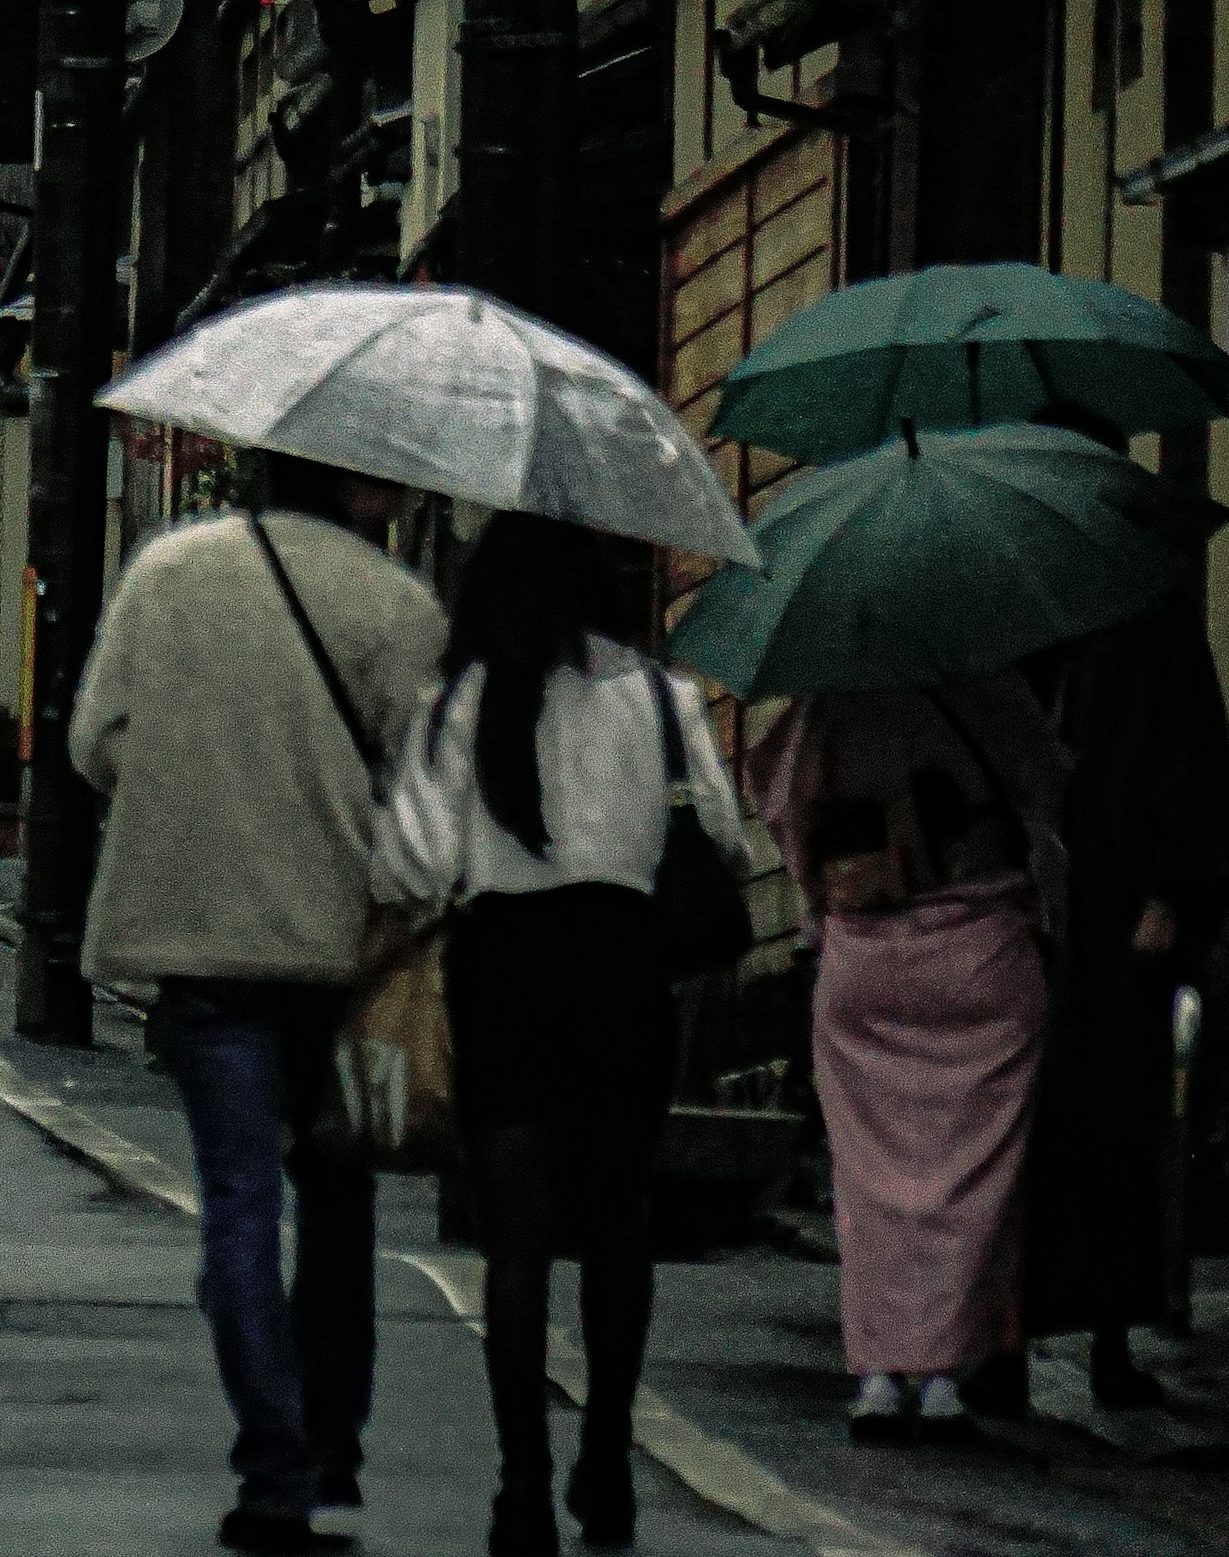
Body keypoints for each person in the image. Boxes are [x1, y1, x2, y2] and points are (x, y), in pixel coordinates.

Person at [73, 458, 444, 1557]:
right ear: (364, 484)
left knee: (237, 1198)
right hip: (342, 950)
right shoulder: (397, 603)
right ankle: (331, 1449)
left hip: (202, 937)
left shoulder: (169, 569)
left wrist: (190, 784)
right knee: (337, 1196)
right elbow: (428, 789)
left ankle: (269, 1465)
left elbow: (98, 740)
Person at [372, 515, 753, 1556]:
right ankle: (609, 1457)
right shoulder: (665, 700)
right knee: (617, 1217)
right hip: (623, 968)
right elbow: (720, 835)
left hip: (507, 969)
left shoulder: (462, 702)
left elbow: (410, 861)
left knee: (518, 1229)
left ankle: (522, 1486)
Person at [748, 668, 1067, 1441]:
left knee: (870, 1175)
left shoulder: (824, 705)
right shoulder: (996, 692)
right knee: (975, 1169)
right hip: (978, 944)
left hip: (867, 947)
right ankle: (946, 1374)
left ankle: (882, 1373)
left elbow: (782, 807)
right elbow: (1048, 797)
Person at [1019, 507, 1229, 1408]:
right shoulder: (1033, 622)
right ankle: (1012, 1335)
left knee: (1114, 1125)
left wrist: (1165, 894)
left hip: (1115, 918)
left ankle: (1111, 1336)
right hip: (1044, 910)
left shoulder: (1147, 622)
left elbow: (1186, 765)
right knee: (1031, 1129)